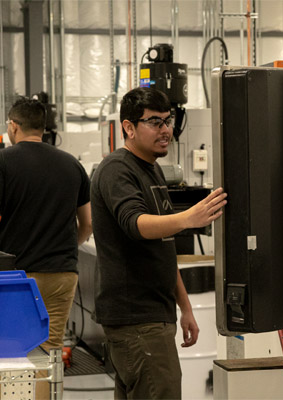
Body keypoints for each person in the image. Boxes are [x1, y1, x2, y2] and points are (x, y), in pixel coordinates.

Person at [91, 87, 227, 400]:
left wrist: (185, 307)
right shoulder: (117, 169)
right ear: (128, 127)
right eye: (154, 122)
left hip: (154, 315)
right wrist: (189, 218)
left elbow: (163, 248)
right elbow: (136, 225)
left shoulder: (151, 169)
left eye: (168, 121)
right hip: (136, 318)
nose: (165, 130)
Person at [0, 97, 92, 400]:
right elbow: (88, 224)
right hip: (62, 274)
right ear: (43, 128)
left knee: (10, 355)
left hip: (16, 279)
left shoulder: (4, 162)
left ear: (14, 126)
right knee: (50, 354)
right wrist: (66, 247)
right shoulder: (72, 165)